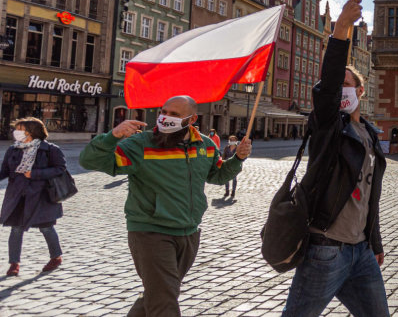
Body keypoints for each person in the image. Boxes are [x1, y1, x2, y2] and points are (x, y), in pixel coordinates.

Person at [79, 95, 251, 316]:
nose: (165, 118)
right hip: (151, 232)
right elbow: (88, 161)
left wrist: (237, 159)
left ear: (191, 119)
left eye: (174, 115)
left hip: (189, 231)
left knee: (159, 292)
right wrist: (112, 137)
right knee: (164, 300)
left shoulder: (205, 145)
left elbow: (217, 176)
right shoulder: (141, 144)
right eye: (164, 112)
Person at [282, 0, 389, 317]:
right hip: (325, 250)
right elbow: (326, 87)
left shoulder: (369, 134)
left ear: (360, 91)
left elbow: (370, 195)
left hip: (361, 252)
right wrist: (342, 28)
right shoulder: (329, 126)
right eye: (337, 85)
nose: (341, 89)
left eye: (348, 84)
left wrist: (375, 241)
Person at [1, 118, 67, 276]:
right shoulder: (13, 149)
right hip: (17, 195)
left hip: (41, 196)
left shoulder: (51, 150)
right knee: (16, 229)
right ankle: (14, 264)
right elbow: (4, 171)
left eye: (20, 129)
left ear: (32, 132)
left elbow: (60, 169)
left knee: (46, 228)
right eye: (16, 129)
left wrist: (35, 174)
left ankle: (56, 257)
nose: (16, 133)